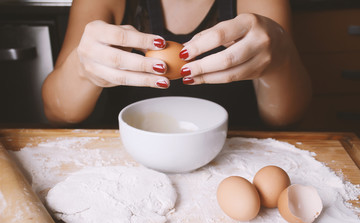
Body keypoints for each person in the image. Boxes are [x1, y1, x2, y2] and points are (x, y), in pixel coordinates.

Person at [42, 0, 312, 129]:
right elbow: (57, 111)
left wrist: (280, 59)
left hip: (234, 161)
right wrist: (83, 69)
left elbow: (287, 116)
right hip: (132, 164)